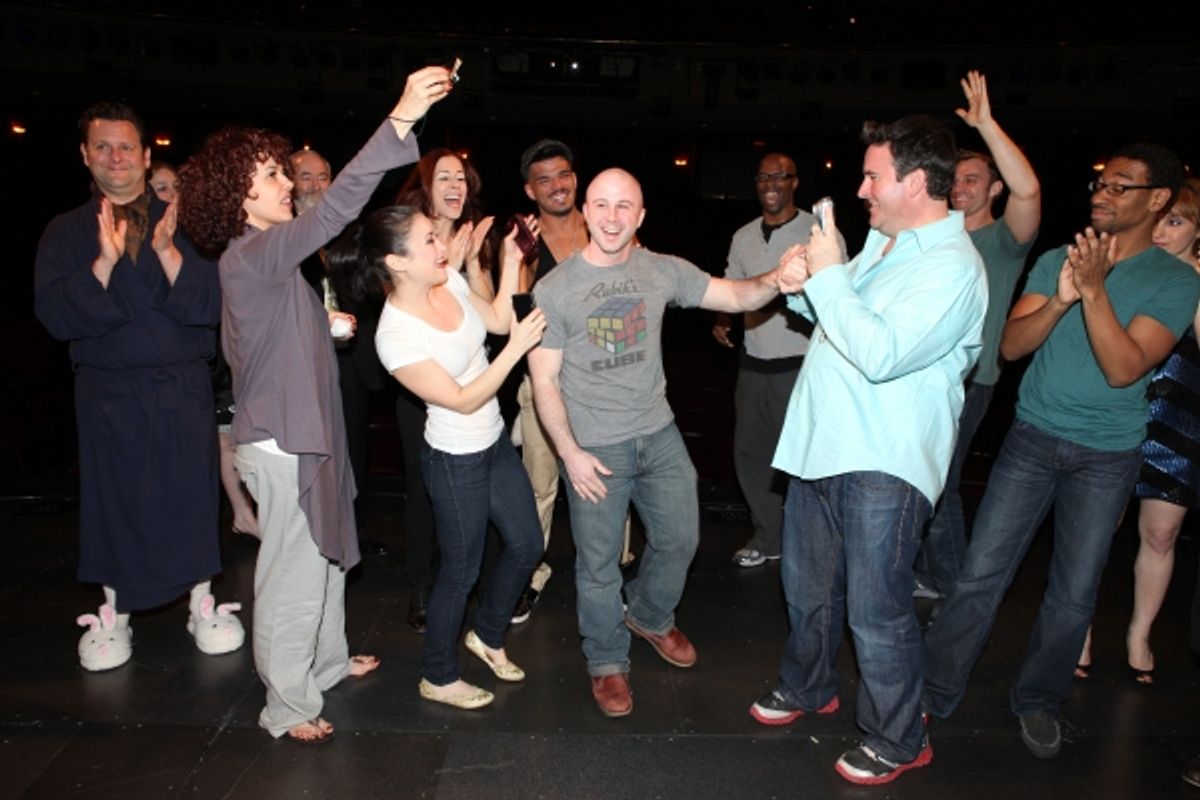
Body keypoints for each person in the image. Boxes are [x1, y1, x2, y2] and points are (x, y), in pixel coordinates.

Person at [176, 65, 452, 743]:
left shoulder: (260, 264)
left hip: (308, 433)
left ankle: (324, 663)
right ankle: (287, 703)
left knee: (328, 556)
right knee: (294, 576)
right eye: (271, 176)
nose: (286, 185)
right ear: (238, 197)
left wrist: (321, 329)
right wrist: (401, 117)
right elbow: (336, 207)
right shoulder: (255, 255)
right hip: (283, 443)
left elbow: (253, 345)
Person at [921, 143, 1200, 761]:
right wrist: (1063, 297)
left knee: (1073, 593)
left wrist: (1095, 292)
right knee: (978, 576)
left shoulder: (1176, 281)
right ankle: (933, 691)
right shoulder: (1057, 258)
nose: (1101, 193)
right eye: (1101, 183)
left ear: (1157, 201)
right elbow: (1013, 347)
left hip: (1107, 456)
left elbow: (1125, 367)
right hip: (1031, 440)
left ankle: (1040, 701)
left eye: (1121, 186)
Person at [748, 115, 986, 785]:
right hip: (823, 446)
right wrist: (804, 291)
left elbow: (881, 355)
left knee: (876, 609)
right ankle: (808, 685)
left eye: (873, 175)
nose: (861, 188)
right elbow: (847, 323)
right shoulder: (885, 244)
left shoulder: (953, 266)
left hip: (884, 459)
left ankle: (900, 736)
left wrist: (826, 279)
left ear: (915, 182)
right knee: (806, 591)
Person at [527, 167, 803, 718]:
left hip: (658, 434)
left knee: (681, 539)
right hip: (595, 449)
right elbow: (543, 380)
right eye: (601, 205)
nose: (611, 217)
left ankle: (649, 615)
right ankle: (606, 660)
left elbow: (734, 292)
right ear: (585, 211)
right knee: (599, 566)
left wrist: (780, 275)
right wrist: (571, 453)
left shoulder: (661, 270)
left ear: (641, 216)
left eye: (624, 206)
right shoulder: (555, 288)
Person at [34, 101, 241, 672]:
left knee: (190, 497)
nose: (115, 157)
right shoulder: (66, 231)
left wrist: (169, 253)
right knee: (115, 501)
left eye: (126, 146)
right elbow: (53, 316)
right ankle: (114, 614)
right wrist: (101, 265)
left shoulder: (186, 222)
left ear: (148, 156)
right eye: (102, 146)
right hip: (108, 393)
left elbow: (216, 305)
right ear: (85, 155)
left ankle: (202, 603)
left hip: (181, 387)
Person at [330, 205, 545, 709]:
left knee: (526, 544)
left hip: (492, 444)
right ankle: (438, 675)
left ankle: (488, 635)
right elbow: (463, 397)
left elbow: (494, 319)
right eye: (428, 240)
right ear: (397, 262)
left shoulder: (447, 282)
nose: (442, 246)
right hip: (455, 461)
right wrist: (517, 349)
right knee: (460, 571)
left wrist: (511, 257)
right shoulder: (395, 335)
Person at [913, 70, 1041, 601]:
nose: (961, 187)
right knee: (919, 479)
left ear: (993, 188)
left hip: (969, 383)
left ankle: (956, 591)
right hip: (919, 377)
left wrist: (987, 127)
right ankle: (928, 575)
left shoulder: (1004, 240)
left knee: (939, 487)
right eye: (956, 179)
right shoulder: (931, 239)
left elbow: (1029, 189)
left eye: (973, 179)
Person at [1076, 178, 1200, 683]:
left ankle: (1139, 634)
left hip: (1180, 421)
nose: (1163, 231)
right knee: (1094, 530)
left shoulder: (1188, 279)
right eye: (1162, 219)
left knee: (1161, 532)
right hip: (1119, 410)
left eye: (1177, 222)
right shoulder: (1126, 265)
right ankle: (1076, 629)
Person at [509, 138, 635, 624]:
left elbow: (632, 295)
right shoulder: (523, 238)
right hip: (544, 382)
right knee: (538, 486)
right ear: (530, 189)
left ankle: (614, 572)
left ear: (575, 179)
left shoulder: (604, 226)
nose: (556, 186)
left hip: (604, 382)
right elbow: (517, 312)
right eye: (544, 179)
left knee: (610, 482)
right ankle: (529, 573)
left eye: (563, 175)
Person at [711, 152, 833, 569]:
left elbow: (838, 289)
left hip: (800, 365)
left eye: (780, 176)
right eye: (763, 177)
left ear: (795, 182)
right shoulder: (744, 236)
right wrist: (724, 319)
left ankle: (811, 542)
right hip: (754, 363)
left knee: (803, 459)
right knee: (749, 454)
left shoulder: (816, 230)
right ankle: (771, 535)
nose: (771, 184)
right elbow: (731, 286)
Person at [289, 147, 385, 557]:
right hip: (301, 364)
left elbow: (372, 289)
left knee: (353, 448)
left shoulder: (349, 229)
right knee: (310, 450)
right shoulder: (282, 235)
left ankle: (352, 536)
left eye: (323, 176)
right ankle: (309, 537)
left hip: (350, 359)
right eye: (305, 177)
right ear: (290, 184)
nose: (315, 185)